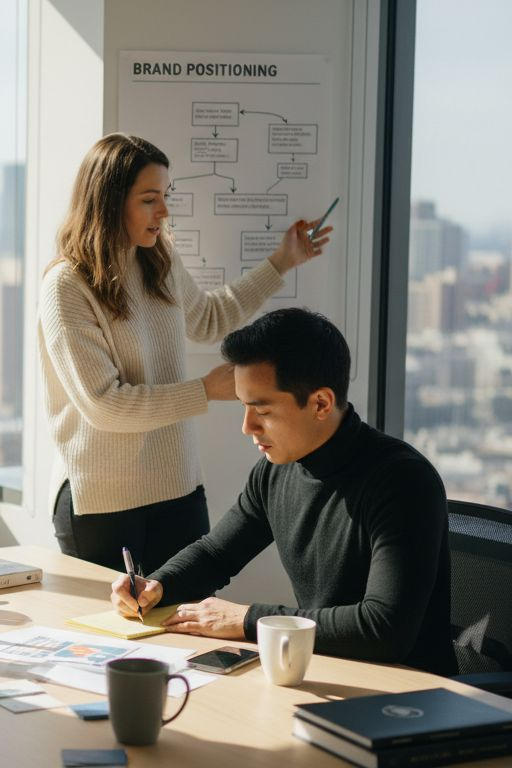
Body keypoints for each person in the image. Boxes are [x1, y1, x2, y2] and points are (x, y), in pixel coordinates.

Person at [38, 133, 332, 573]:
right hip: (102, 500)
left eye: (166, 196)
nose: (164, 211)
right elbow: (104, 406)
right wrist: (204, 391)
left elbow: (209, 318)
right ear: (110, 200)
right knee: (113, 635)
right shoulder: (66, 285)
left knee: (188, 624)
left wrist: (282, 262)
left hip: (176, 487)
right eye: (149, 199)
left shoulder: (158, 259)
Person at [109, 308, 457, 676]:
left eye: (263, 410)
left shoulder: (402, 481)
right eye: (245, 407)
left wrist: (248, 620)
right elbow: (216, 554)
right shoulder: (277, 471)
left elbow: (383, 629)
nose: (247, 427)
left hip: (408, 695)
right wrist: (158, 585)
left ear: (321, 403)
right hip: (323, 669)